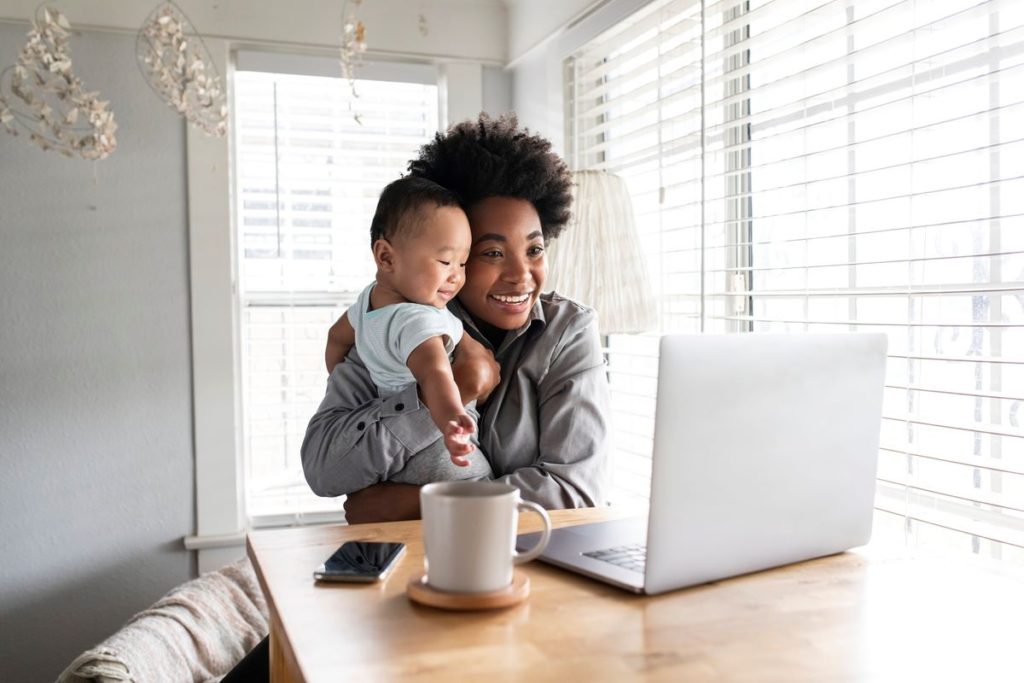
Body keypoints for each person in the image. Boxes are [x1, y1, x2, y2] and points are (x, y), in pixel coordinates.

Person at [302, 113, 611, 523]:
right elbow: (324, 466)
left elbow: (574, 492)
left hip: (535, 565)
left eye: (534, 250)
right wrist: (451, 392)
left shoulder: (567, 332)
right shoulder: (393, 324)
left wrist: (419, 504)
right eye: (492, 253)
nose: (521, 275)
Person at [324, 176, 493, 483]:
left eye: (463, 263)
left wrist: (341, 384)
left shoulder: (367, 303)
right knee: (484, 492)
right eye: (445, 261)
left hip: (393, 447)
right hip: (434, 450)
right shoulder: (418, 322)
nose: (456, 276)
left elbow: (336, 337)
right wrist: (453, 424)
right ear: (386, 256)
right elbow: (436, 377)